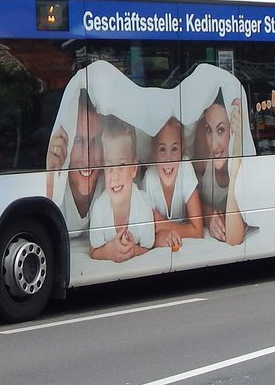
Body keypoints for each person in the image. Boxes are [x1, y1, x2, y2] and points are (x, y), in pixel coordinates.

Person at [88, 116, 153, 262]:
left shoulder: (144, 205)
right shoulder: (99, 208)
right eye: (109, 166)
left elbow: (148, 246)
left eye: (122, 166)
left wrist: (133, 250)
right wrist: (109, 252)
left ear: (134, 169)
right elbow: (94, 250)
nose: (115, 175)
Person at [46, 89, 103, 237]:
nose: (87, 157)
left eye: (95, 141)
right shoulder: (56, 187)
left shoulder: (114, 181)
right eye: (78, 141)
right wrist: (50, 178)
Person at [143, 116, 204, 250]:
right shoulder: (149, 179)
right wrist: (161, 236)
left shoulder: (186, 168)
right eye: (162, 149)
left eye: (174, 149)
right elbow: (148, 233)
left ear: (182, 152)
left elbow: (198, 231)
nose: (168, 159)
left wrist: (163, 224)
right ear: (154, 154)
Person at [196, 89, 246, 245]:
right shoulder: (202, 158)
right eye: (209, 130)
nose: (213, 144)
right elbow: (191, 202)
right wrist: (209, 214)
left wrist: (237, 151)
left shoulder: (246, 170)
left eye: (221, 130)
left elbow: (233, 238)